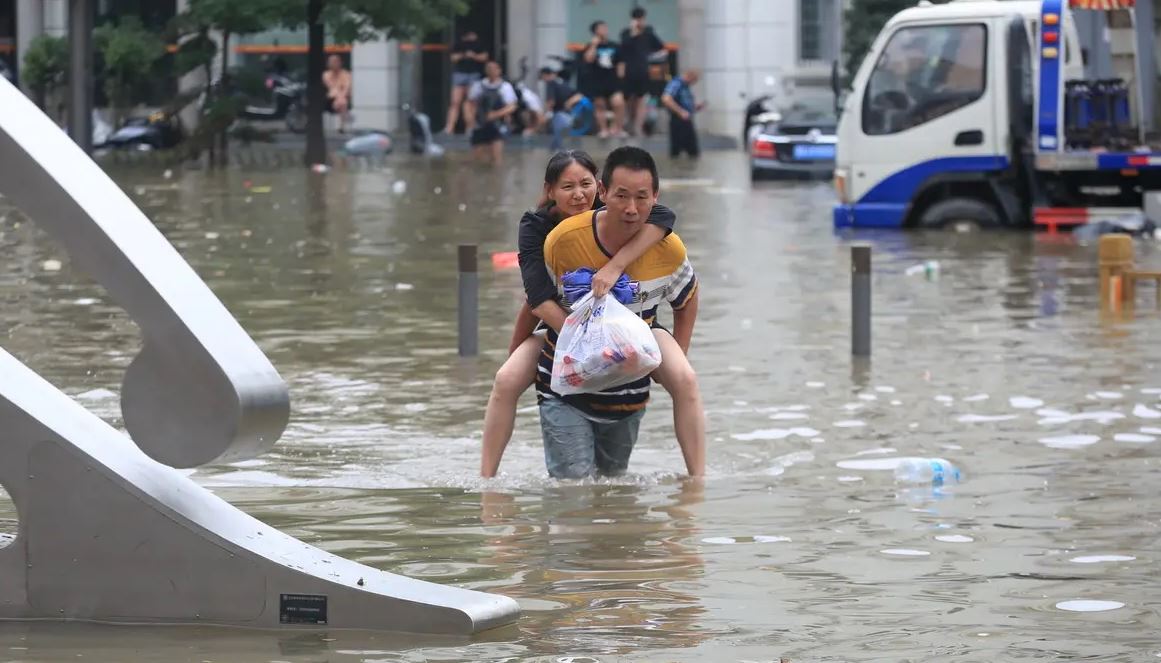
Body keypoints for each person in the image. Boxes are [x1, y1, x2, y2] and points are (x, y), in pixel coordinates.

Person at [480, 149, 706, 479]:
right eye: (567, 187)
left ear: (597, 187)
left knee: (685, 378)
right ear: (550, 191)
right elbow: (536, 299)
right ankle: (487, 480)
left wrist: (615, 267)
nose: (578, 195)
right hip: (562, 324)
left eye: (585, 184)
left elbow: (664, 219)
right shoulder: (544, 232)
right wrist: (585, 337)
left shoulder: (627, 215)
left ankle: (697, 482)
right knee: (506, 379)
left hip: (635, 324)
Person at [618, 7, 666, 137]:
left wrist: (652, 58)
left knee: (641, 98)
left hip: (643, 71)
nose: (640, 22)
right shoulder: (626, 33)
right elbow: (622, 49)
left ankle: (638, 127)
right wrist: (633, 32)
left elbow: (662, 49)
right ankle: (628, 123)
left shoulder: (649, 33)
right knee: (628, 99)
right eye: (637, 19)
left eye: (642, 19)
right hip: (629, 72)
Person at [581, 20, 627, 138]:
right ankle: (603, 129)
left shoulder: (614, 45)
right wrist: (594, 45)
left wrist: (621, 78)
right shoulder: (590, 46)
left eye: (605, 27)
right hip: (597, 80)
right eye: (601, 28)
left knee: (619, 103)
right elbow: (588, 59)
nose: (604, 30)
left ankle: (617, 128)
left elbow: (621, 62)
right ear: (595, 31)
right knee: (600, 106)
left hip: (612, 80)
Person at [467, 61, 518, 165]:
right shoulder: (478, 85)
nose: (491, 71)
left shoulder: (505, 86)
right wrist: (470, 118)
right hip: (480, 124)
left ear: (499, 70)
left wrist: (496, 114)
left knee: (497, 158)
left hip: (497, 125)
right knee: (477, 158)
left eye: (494, 68)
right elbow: (470, 103)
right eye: (489, 68)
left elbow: (512, 106)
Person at [444, 31, 488, 134]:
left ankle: (470, 126)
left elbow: (484, 57)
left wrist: (473, 56)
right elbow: (453, 58)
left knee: (470, 102)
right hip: (460, 74)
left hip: (473, 74)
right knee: (455, 102)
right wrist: (464, 55)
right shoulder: (459, 44)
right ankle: (449, 127)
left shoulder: (479, 44)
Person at [539, 67, 592, 151]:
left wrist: (545, 114)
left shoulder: (551, 83)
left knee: (558, 137)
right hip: (575, 117)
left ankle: (558, 152)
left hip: (563, 116)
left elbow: (550, 102)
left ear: (545, 75)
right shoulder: (563, 82)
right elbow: (579, 95)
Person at [661, 68, 704, 158]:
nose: (693, 83)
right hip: (678, 121)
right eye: (694, 80)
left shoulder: (685, 87)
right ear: (690, 76)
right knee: (677, 151)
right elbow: (666, 98)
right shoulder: (676, 83)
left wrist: (695, 107)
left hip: (686, 120)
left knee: (693, 152)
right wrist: (680, 112)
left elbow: (685, 103)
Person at [322, 54, 353, 133]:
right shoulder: (326, 75)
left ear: (340, 63)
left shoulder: (346, 74)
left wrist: (341, 97)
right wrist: (340, 97)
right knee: (342, 102)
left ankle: (341, 127)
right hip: (329, 100)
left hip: (343, 99)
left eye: (335, 61)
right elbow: (331, 88)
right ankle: (342, 125)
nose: (333, 64)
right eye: (331, 62)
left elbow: (347, 87)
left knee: (342, 103)